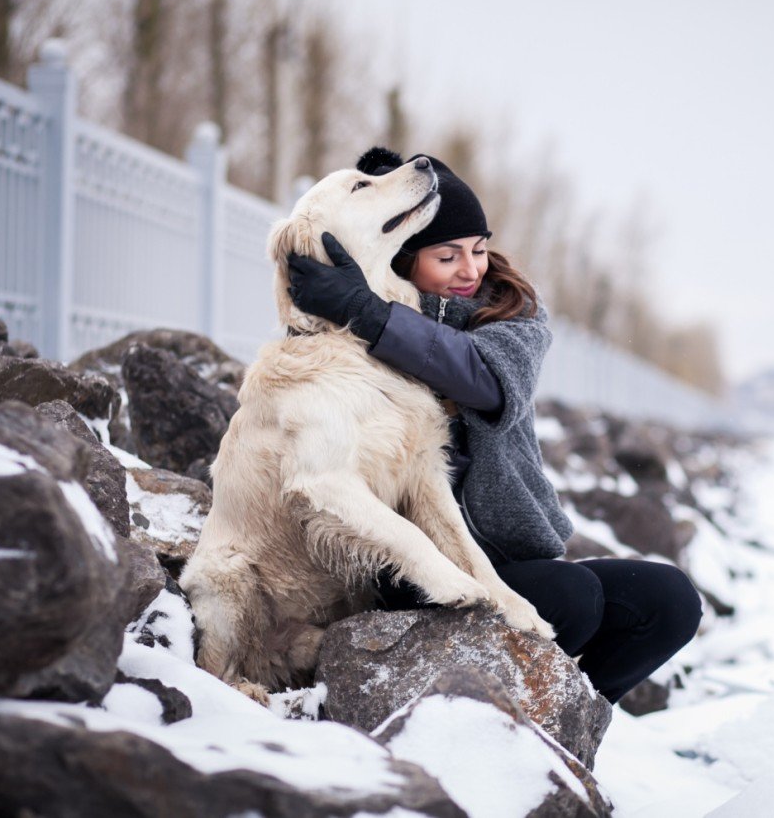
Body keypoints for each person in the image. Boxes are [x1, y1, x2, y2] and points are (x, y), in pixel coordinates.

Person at [285, 147, 703, 705]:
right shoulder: (350, 332)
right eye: (447, 256)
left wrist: (374, 315)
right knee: (573, 597)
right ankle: (505, 724)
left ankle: (566, 720)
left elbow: (485, 381)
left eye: (479, 249)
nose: (470, 270)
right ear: (402, 256)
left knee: (669, 599)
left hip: (508, 554)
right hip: (409, 567)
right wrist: (358, 308)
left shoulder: (512, 312)